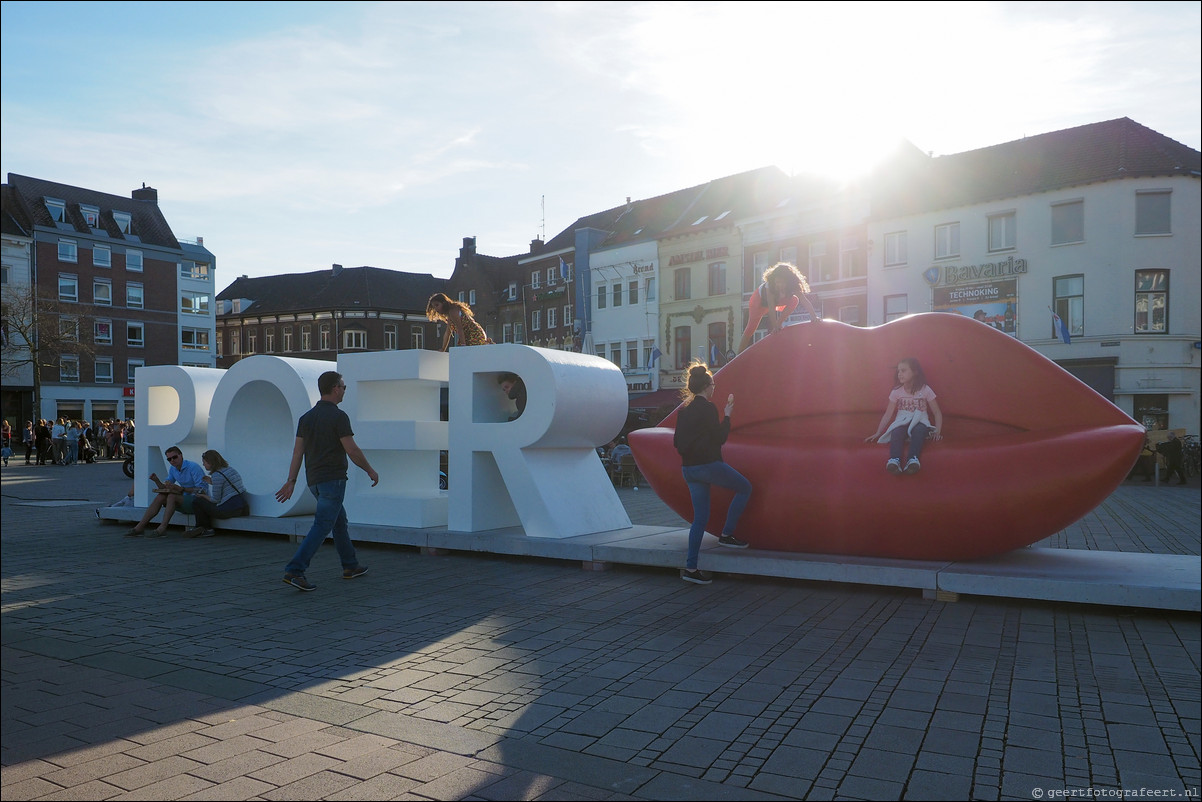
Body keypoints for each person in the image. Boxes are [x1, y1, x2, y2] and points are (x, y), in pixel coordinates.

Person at [274, 370, 377, 591]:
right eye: (343, 386)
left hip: (315, 482)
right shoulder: (339, 417)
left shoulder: (306, 418)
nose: (344, 391)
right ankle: (295, 570)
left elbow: (297, 453)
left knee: (338, 522)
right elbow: (351, 449)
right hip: (333, 480)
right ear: (335, 388)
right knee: (322, 525)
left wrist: (291, 480)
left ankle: (350, 565)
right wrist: (370, 470)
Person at [673, 361, 752, 585]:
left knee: (699, 520)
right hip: (707, 466)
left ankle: (691, 568)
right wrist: (727, 415)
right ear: (707, 386)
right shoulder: (708, 408)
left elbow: (677, 441)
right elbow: (720, 438)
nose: (714, 388)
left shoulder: (684, 410)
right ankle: (727, 534)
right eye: (713, 384)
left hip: (688, 469)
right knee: (745, 487)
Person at [865, 357, 945, 475]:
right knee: (896, 431)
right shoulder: (896, 391)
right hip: (902, 421)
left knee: (919, 430)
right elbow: (888, 414)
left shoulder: (925, 389)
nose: (899, 374)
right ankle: (894, 460)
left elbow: (937, 412)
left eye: (903, 370)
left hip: (920, 421)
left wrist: (937, 431)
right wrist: (878, 432)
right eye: (898, 371)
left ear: (915, 372)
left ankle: (913, 460)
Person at [124, 445, 206, 537]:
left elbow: (202, 490)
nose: (172, 461)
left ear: (181, 455)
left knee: (172, 496)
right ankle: (140, 527)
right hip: (185, 500)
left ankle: (162, 527)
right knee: (161, 496)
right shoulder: (173, 469)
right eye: (169, 459)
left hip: (198, 502)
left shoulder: (193, 467)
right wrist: (156, 480)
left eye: (174, 457)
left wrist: (181, 489)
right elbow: (164, 487)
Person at [737, 262, 818, 353]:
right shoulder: (770, 286)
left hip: (777, 302)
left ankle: (779, 324)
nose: (779, 285)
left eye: (782, 282)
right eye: (777, 282)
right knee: (751, 328)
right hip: (759, 302)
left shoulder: (793, 286)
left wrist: (814, 316)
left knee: (795, 300)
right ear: (774, 280)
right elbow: (771, 308)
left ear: (788, 281)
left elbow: (804, 300)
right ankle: (738, 354)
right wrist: (774, 327)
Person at [186, 449, 250, 537]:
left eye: (204, 462)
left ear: (210, 462)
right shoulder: (230, 470)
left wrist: (203, 495)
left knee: (197, 501)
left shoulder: (217, 475)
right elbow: (228, 486)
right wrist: (212, 482)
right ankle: (201, 528)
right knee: (202, 501)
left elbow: (215, 500)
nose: (203, 464)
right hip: (241, 507)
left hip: (228, 510)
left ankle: (205, 528)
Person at [427, 292, 491, 351]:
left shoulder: (453, 311)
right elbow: (448, 332)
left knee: (469, 353)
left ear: (444, 303)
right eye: (434, 307)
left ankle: (487, 345)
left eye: (437, 305)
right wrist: (443, 348)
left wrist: (463, 346)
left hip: (474, 334)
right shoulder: (449, 315)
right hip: (467, 336)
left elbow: (460, 328)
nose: (436, 309)